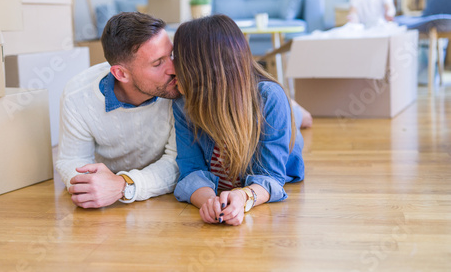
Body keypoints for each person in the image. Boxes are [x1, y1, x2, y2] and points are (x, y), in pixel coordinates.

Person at [171, 14, 305, 226]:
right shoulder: (182, 103)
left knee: (297, 114)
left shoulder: (269, 98)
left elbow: (271, 176)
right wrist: (210, 202)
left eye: (176, 58)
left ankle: (296, 109)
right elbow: (190, 170)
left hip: (268, 108)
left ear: (201, 70)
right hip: (238, 98)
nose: (171, 67)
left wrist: (244, 197)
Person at [56, 12, 180, 208]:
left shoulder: (177, 88)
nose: (174, 69)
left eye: (171, 55)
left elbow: (177, 162)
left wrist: (124, 186)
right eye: (158, 63)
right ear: (121, 74)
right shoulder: (77, 96)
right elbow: (73, 159)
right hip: (109, 204)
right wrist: (94, 186)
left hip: (162, 202)